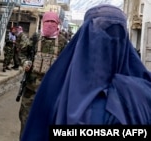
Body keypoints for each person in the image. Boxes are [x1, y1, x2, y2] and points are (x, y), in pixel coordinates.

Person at [21, 4, 151, 141]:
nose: (108, 42)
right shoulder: (144, 94)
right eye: (100, 33)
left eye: (115, 34)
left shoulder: (55, 88)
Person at [18, 11, 67, 140]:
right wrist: (25, 62)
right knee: (26, 120)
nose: (50, 24)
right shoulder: (35, 38)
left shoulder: (63, 42)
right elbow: (22, 52)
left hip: (52, 93)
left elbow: (69, 63)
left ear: (58, 24)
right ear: (42, 22)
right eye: (47, 21)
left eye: (53, 22)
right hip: (31, 90)